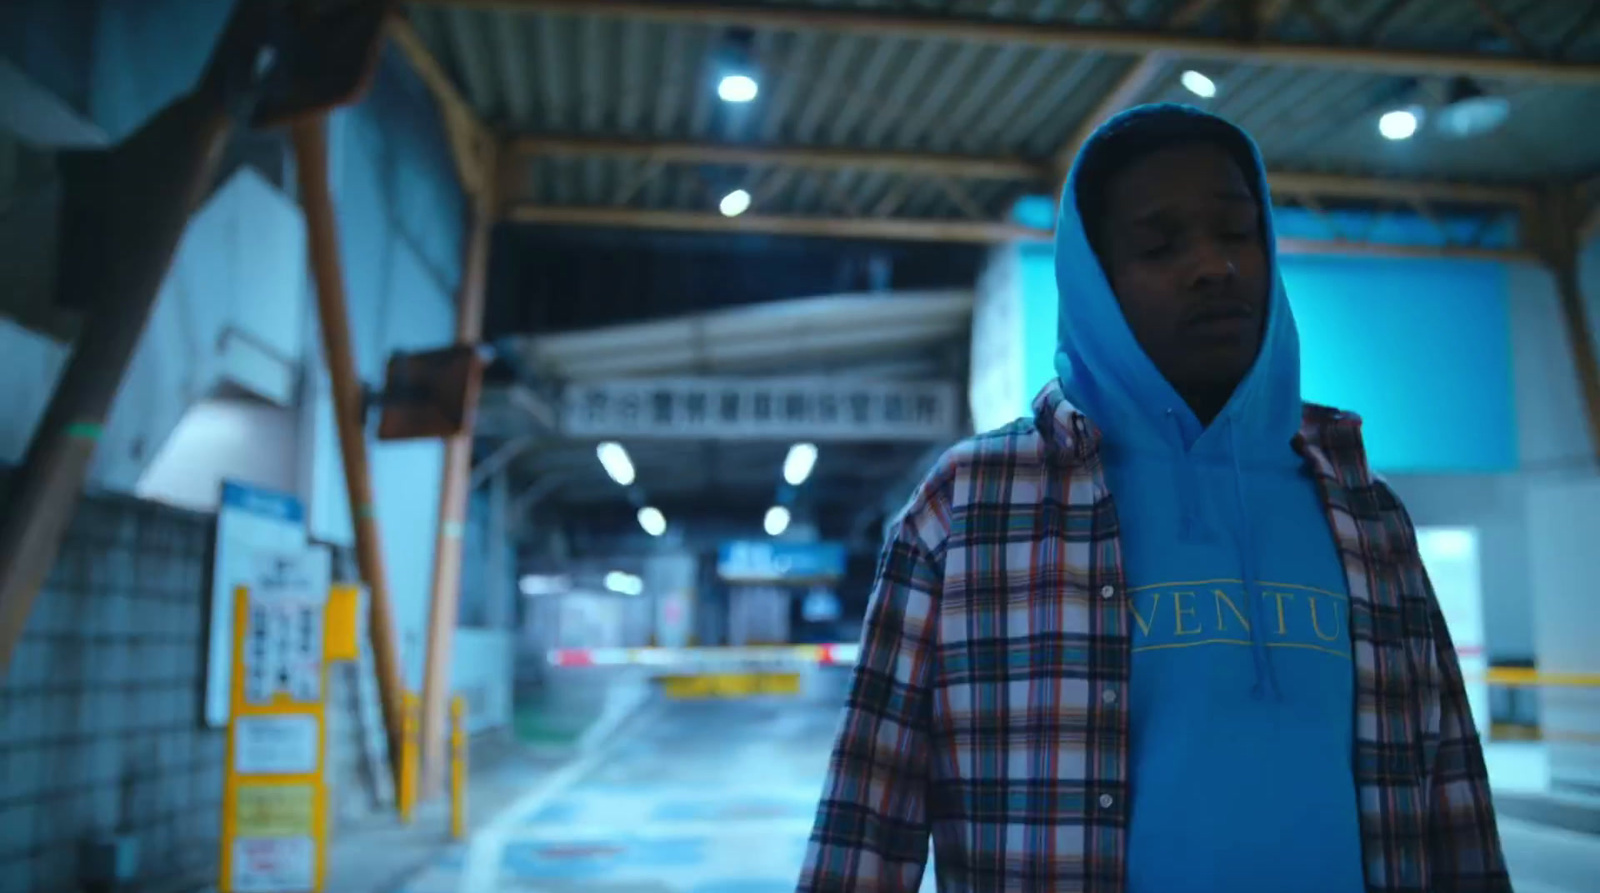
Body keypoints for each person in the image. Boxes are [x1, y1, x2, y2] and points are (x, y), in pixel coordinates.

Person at [796, 104, 1509, 892]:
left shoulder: (1364, 513)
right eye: (1160, 245)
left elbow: (1455, 813)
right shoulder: (970, 509)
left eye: (1237, 233)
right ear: (1096, 281)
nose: (1214, 266)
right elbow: (865, 823)